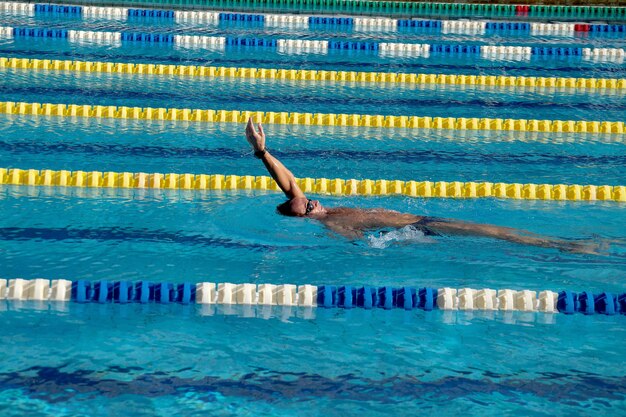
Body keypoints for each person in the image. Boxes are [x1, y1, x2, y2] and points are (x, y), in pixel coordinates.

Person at [245, 118, 599, 254]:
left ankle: (562, 244)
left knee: (491, 231)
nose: (312, 201)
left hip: (419, 222)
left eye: (307, 199)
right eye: (307, 206)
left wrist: (262, 153)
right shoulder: (334, 222)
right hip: (420, 227)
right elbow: (364, 246)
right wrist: (400, 238)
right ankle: (564, 247)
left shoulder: (316, 208)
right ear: (308, 218)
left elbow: (289, 185)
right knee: (493, 232)